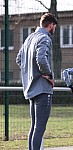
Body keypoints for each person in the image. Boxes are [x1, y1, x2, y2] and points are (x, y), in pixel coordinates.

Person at [16, 13, 57, 150]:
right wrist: (48, 75)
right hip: (42, 88)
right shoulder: (45, 38)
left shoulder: (29, 38)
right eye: (54, 27)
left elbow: (19, 59)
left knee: (34, 127)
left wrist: (30, 72)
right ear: (51, 25)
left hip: (31, 88)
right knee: (39, 128)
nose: (54, 29)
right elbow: (41, 59)